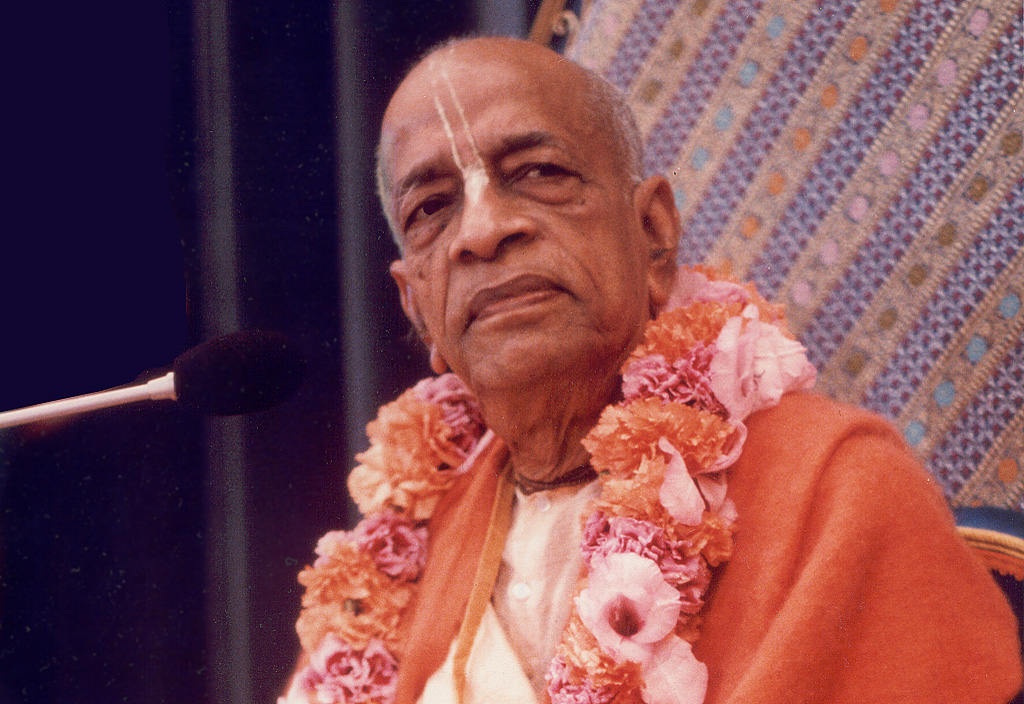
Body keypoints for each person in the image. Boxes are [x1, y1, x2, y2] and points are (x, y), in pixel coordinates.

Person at [281, 37, 1022, 704]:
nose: (481, 231)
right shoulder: (401, 557)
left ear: (653, 235)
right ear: (417, 307)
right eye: (431, 208)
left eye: (538, 172)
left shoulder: (838, 490)